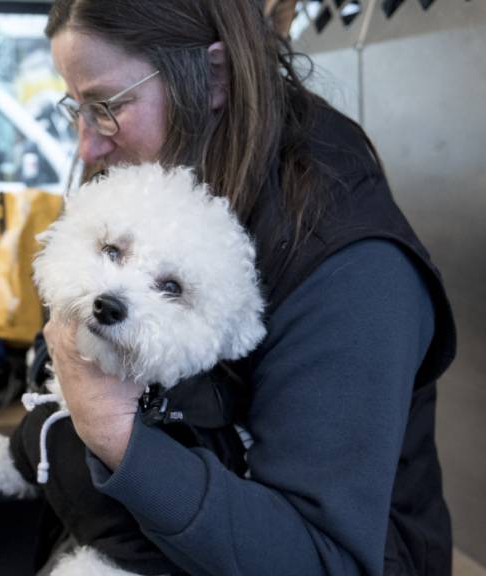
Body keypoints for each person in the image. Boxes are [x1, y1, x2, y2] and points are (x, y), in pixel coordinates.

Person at [38, 1, 457, 575]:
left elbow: (326, 560)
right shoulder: (177, 177)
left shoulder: (353, 269)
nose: (88, 146)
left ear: (214, 75)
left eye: (108, 106)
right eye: (77, 108)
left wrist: (115, 434)